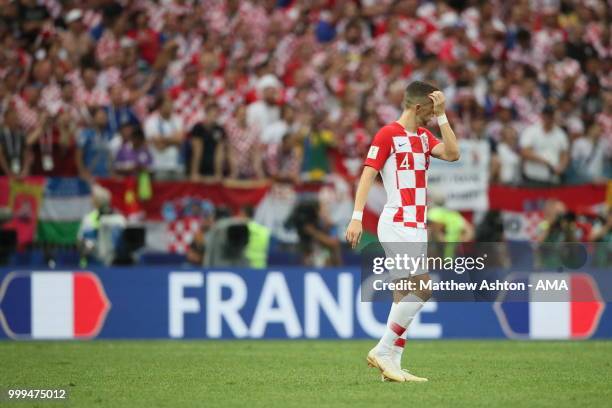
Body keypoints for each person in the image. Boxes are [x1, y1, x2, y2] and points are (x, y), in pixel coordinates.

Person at [345, 81, 460, 382]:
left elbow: (452, 153)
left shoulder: (423, 136)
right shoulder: (387, 135)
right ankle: (383, 350)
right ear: (418, 107)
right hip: (397, 221)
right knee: (423, 288)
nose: (433, 118)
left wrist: (445, 117)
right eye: (432, 112)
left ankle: (392, 364)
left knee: (403, 294)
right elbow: (368, 174)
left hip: (416, 225)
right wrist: (356, 217)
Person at [519, 105, 569, 185]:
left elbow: (565, 154)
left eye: (551, 116)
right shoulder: (531, 131)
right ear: (542, 115)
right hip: (533, 177)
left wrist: (561, 167)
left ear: (554, 117)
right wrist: (545, 161)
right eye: (546, 115)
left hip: (553, 178)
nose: (548, 118)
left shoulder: (561, 134)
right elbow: (524, 152)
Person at [144, 94, 184, 179]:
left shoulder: (178, 120)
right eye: (167, 104)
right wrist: (173, 140)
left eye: (171, 103)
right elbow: (159, 146)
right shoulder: (151, 122)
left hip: (177, 166)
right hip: (159, 166)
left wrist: (162, 138)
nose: (170, 106)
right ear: (160, 106)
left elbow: (180, 140)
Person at [189, 103, 226, 182]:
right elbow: (197, 152)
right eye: (212, 114)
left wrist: (218, 173)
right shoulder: (198, 128)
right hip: (200, 167)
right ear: (206, 114)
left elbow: (219, 153)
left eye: (216, 115)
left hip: (212, 168)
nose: (214, 117)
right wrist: (194, 172)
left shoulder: (219, 129)